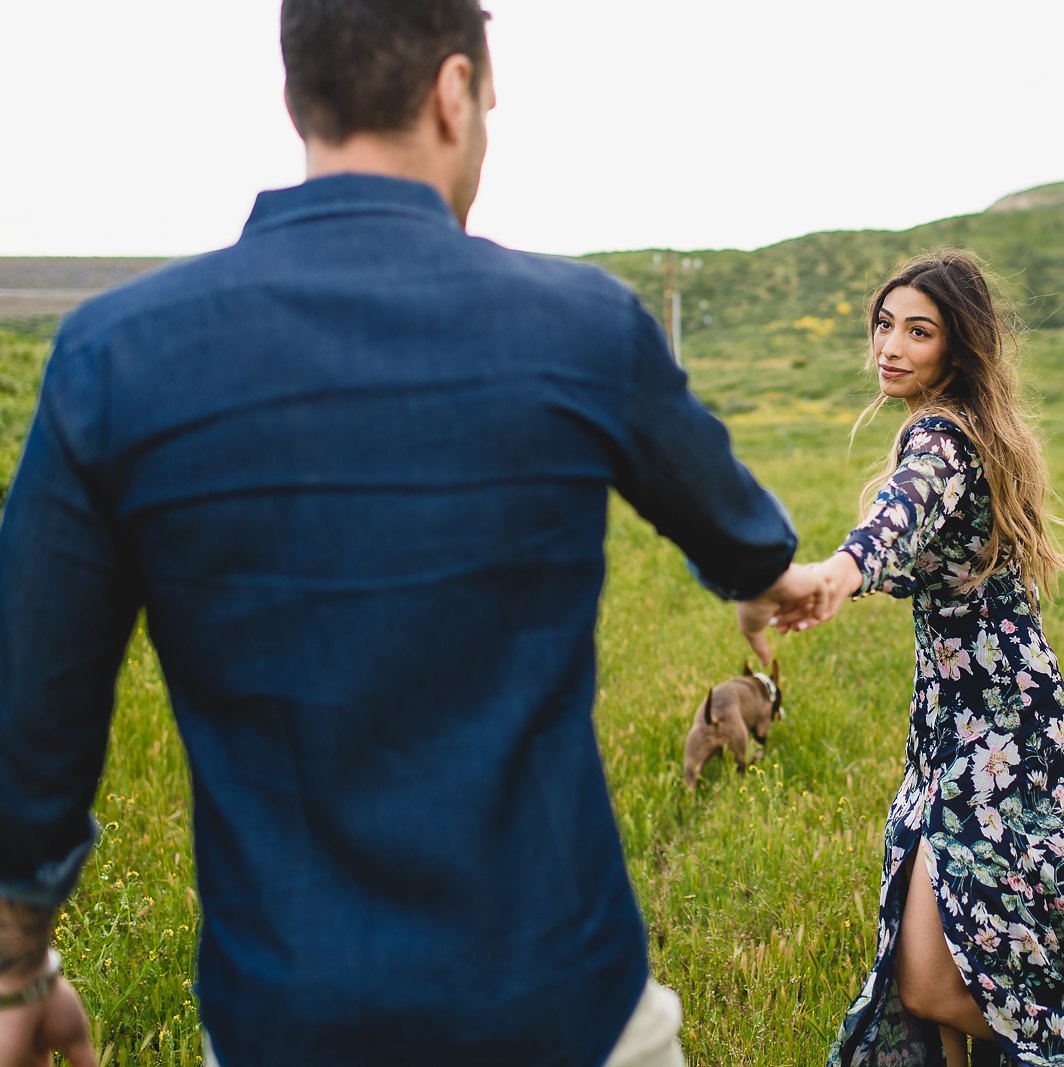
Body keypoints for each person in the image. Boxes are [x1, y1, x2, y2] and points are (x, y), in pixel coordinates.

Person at [0, 2, 821, 1065]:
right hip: (566, 1004)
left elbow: (34, 711)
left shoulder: (110, 356)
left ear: (298, 97)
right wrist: (763, 577)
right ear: (452, 93)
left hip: (285, 1021)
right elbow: (738, 531)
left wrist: (18, 967)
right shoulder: (583, 325)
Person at [806, 252, 1064, 1066]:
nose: (890, 346)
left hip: (992, 732)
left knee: (931, 980)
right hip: (994, 716)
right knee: (951, 956)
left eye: (917, 332)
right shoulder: (970, 426)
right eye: (884, 324)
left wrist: (835, 572)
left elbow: (900, 517)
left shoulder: (941, 438)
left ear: (956, 350)